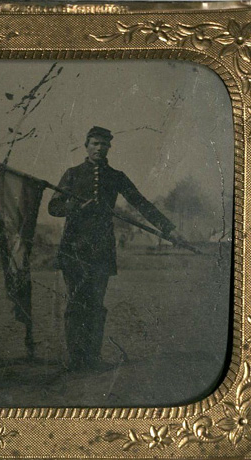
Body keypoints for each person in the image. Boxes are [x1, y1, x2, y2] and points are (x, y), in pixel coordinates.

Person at [48, 126, 177, 371]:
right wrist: (75, 208)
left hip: (101, 251)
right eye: (95, 143)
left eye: (104, 144)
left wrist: (167, 228)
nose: (99, 148)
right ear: (86, 146)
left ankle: (92, 359)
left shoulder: (116, 176)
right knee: (76, 303)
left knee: (96, 304)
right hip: (74, 249)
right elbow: (53, 207)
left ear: (109, 147)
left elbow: (140, 202)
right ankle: (76, 361)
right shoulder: (72, 174)